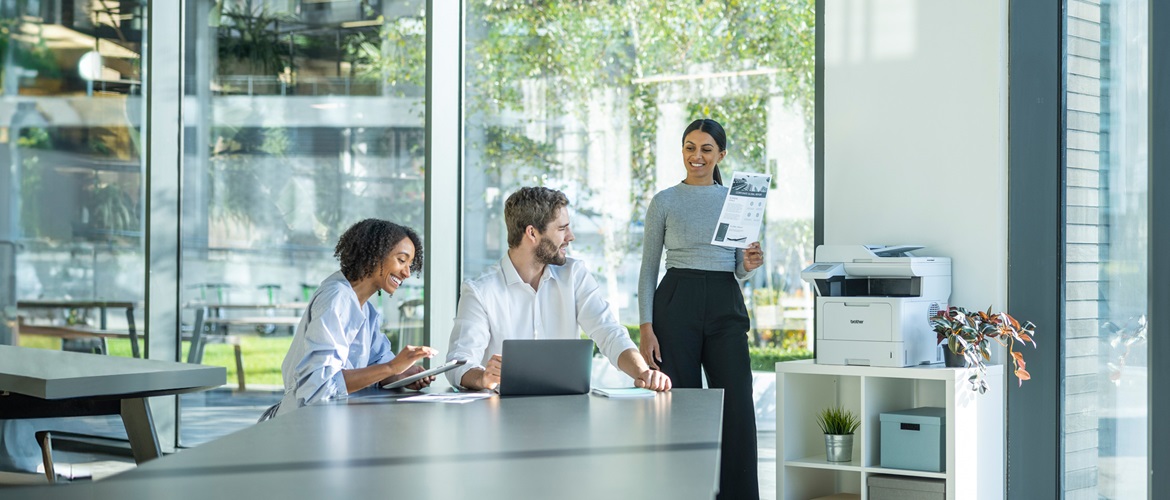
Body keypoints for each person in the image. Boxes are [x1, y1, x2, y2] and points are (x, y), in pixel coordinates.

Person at [638, 118, 765, 500]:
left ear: (721, 154)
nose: (697, 155)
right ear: (682, 151)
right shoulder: (664, 201)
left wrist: (749, 263)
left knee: (737, 403)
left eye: (706, 149)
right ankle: (684, 492)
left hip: (725, 301)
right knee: (682, 405)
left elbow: (737, 269)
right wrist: (646, 327)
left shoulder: (738, 200)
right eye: (690, 147)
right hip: (676, 302)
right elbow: (648, 270)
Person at [446, 186, 671, 393]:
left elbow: (609, 333)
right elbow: (459, 362)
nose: (570, 236)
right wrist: (483, 377)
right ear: (532, 233)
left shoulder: (575, 275)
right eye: (562, 228)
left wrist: (644, 373)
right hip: (500, 416)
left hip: (568, 413)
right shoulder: (480, 291)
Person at [275, 219, 437, 417]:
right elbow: (319, 386)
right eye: (402, 260)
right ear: (375, 255)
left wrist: (400, 375)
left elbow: (375, 366)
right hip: (304, 425)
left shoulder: (366, 310)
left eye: (410, 264)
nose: (407, 273)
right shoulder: (336, 298)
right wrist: (391, 367)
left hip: (337, 421)